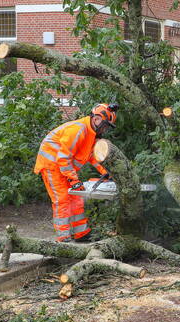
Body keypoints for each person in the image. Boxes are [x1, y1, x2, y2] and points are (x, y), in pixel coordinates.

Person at [34, 103, 118, 242]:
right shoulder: (78, 130)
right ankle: (63, 237)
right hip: (52, 166)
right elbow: (63, 157)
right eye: (105, 125)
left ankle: (81, 233)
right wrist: (74, 180)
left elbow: (93, 156)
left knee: (76, 197)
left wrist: (107, 172)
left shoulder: (91, 134)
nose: (105, 129)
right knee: (62, 200)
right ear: (96, 119)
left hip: (65, 168)